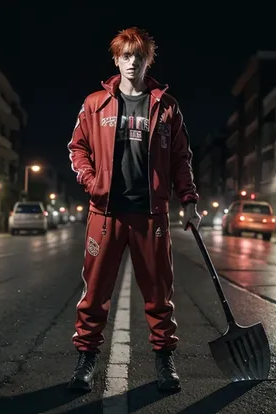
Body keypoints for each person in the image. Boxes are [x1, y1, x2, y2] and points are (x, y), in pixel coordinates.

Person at [66, 27, 202, 392]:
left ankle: (164, 361)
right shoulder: (95, 103)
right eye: (125, 56)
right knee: (94, 294)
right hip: (105, 214)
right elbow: (77, 148)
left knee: (159, 294)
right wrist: (92, 182)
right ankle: (85, 362)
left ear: (147, 61)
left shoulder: (166, 106)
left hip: (151, 216)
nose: (131, 62)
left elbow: (180, 159)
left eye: (138, 57)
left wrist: (188, 201)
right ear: (116, 59)